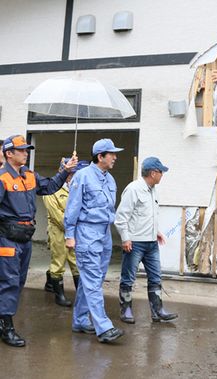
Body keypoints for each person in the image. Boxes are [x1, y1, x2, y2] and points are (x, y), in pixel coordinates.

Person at [0, 135, 77, 347]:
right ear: (9, 154)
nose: (26, 153)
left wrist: (66, 170)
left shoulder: (29, 175)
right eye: (22, 150)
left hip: (25, 240)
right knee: (9, 283)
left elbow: (51, 186)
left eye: (27, 149)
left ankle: (3, 318)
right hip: (7, 240)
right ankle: (7, 328)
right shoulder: (2, 178)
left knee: (18, 282)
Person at [64, 138, 125, 343]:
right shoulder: (82, 176)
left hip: (104, 233)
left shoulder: (110, 179)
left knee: (94, 280)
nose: (115, 157)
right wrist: (69, 235)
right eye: (112, 154)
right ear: (101, 156)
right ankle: (104, 327)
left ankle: (80, 320)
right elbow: (72, 208)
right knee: (92, 282)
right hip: (87, 233)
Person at [115, 157, 178, 324]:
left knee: (156, 277)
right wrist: (125, 238)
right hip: (135, 243)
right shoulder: (133, 189)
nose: (162, 175)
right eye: (160, 172)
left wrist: (155, 232)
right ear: (152, 173)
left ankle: (158, 311)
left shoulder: (152, 190)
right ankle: (126, 309)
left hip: (151, 243)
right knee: (128, 277)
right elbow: (121, 217)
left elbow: (146, 215)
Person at [43, 159, 89, 307]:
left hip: (74, 232)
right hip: (58, 232)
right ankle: (59, 295)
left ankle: (80, 294)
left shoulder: (75, 188)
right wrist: (72, 227)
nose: (73, 176)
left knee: (76, 262)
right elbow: (57, 215)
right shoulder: (52, 189)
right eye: (71, 173)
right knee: (59, 262)